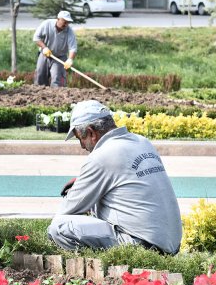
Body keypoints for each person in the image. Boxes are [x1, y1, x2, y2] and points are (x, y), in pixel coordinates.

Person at [47, 100, 182, 254]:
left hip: (143, 246)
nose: (82, 146)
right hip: (171, 244)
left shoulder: (101, 156)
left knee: (59, 227)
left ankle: (101, 269)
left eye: (80, 139)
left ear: (91, 132)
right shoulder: (142, 142)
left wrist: (77, 191)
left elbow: (66, 211)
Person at [33, 10, 78, 87]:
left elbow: (73, 48)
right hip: (45, 54)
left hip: (60, 57)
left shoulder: (69, 31)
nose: (66, 24)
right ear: (58, 19)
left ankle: (58, 97)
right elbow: (36, 38)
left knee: (57, 79)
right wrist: (44, 48)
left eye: (68, 22)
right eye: (64, 21)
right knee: (40, 77)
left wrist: (70, 59)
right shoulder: (47, 24)